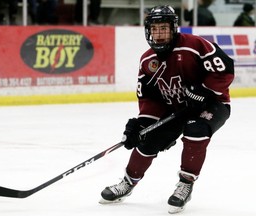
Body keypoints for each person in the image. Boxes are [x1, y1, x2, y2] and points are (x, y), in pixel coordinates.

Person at [99, 5, 234, 214]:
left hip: (211, 105)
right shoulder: (147, 60)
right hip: (177, 109)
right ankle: (128, 182)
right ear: (148, 31)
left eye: (164, 28)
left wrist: (204, 91)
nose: (159, 34)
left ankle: (185, 184)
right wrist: (143, 124)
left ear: (174, 28)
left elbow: (225, 69)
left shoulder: (194, 45)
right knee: (147, 137)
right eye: (155, 29)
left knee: (195, 130)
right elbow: (149, 98)